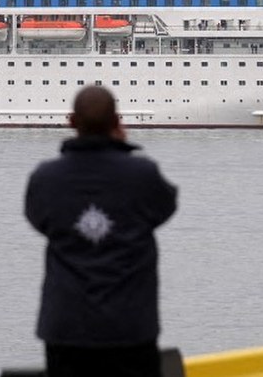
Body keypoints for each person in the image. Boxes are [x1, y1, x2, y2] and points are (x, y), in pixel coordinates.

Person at [25, 86, 178, 377]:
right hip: (130, 327)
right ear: (118, 122)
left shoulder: (46, 178)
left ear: (71, 122)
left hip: (66, 329)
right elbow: (165, 208)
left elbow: (38, 220)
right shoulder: (143, 175)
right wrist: (123, 152)